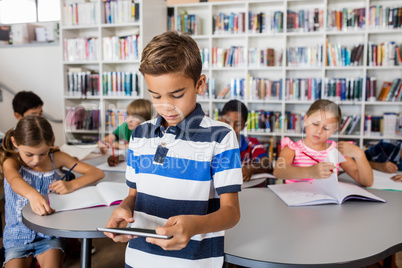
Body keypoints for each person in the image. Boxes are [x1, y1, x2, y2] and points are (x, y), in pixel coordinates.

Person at [103, 31, 242, 267]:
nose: (166, 106)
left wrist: (195, 226)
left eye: (177, 95)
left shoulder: (221, 137)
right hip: (139, 258)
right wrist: (123, 209)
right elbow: (134, 195)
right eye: (156, 96)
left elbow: (231, 212)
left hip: (194, 262)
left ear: (199, 84)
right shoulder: (139, 134)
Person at [0, 115, 105, 267]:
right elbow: (15, 181)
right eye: (29, 154)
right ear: (15, 143)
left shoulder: (57, 158)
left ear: (50, 144)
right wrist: (32, 195)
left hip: (49, 236)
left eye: (42, 153)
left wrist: (72, 185)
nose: (36, 160)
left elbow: (97, 173)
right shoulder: (11, 161)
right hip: (17, 237)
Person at [273, 99, 373, 187]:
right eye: (315, 124)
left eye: (326, 128)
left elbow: (367, 182)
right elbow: (279, 171)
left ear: (334, 130)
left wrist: (360, 154)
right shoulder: (292, 148)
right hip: (294, 202)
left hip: (326, 204)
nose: (319, 131)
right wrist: (310, 172)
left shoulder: (336, 150)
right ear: (305, 120)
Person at [220, 99, 272, 182]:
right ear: (220, 121)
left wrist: (250, 168)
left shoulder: (251, 143)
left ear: (244, 126)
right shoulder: (212, 144)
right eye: (227, 122)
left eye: (238, 124)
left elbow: (267, 164)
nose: (232, 128)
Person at [97, 99, 153, 166]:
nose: (129, 120)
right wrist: (102, 145)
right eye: (128, 115)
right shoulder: (126, 127)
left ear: (145, 119)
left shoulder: (152, 132)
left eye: (135, 117)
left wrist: (120, 146)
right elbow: (103, 141)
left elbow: (139, 150)